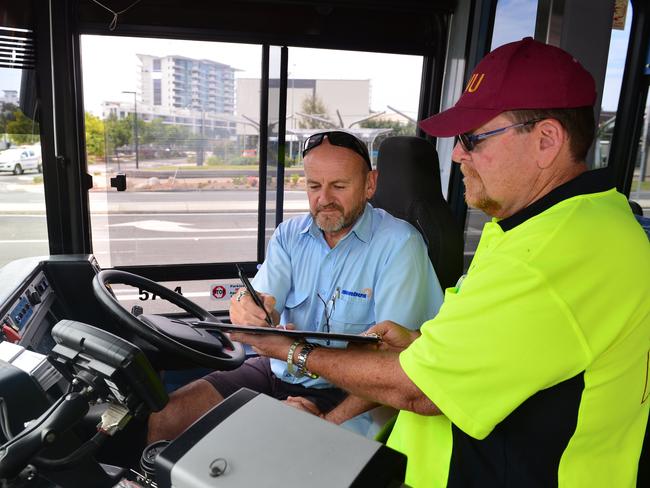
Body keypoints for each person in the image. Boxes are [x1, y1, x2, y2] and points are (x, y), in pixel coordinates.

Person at [230, 38, 650, 487]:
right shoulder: (548, 227)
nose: (457, 155)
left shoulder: (554, 253)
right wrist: (417, 343)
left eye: (473, 139)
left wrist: (290, 349)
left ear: (546, 140)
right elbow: (508, 351)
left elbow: (417, 389)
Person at [147, 130, 444, 442]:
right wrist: (251, 312)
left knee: (266, 451)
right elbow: (265, 306)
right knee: (167, 418)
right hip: (279, 369)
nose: (324, 199)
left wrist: (327, 422)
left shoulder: (400, 246)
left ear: (370, 184)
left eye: (339, 186)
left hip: (351, 392)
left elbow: (395, 370)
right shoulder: (290, 235)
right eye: (314, 186)